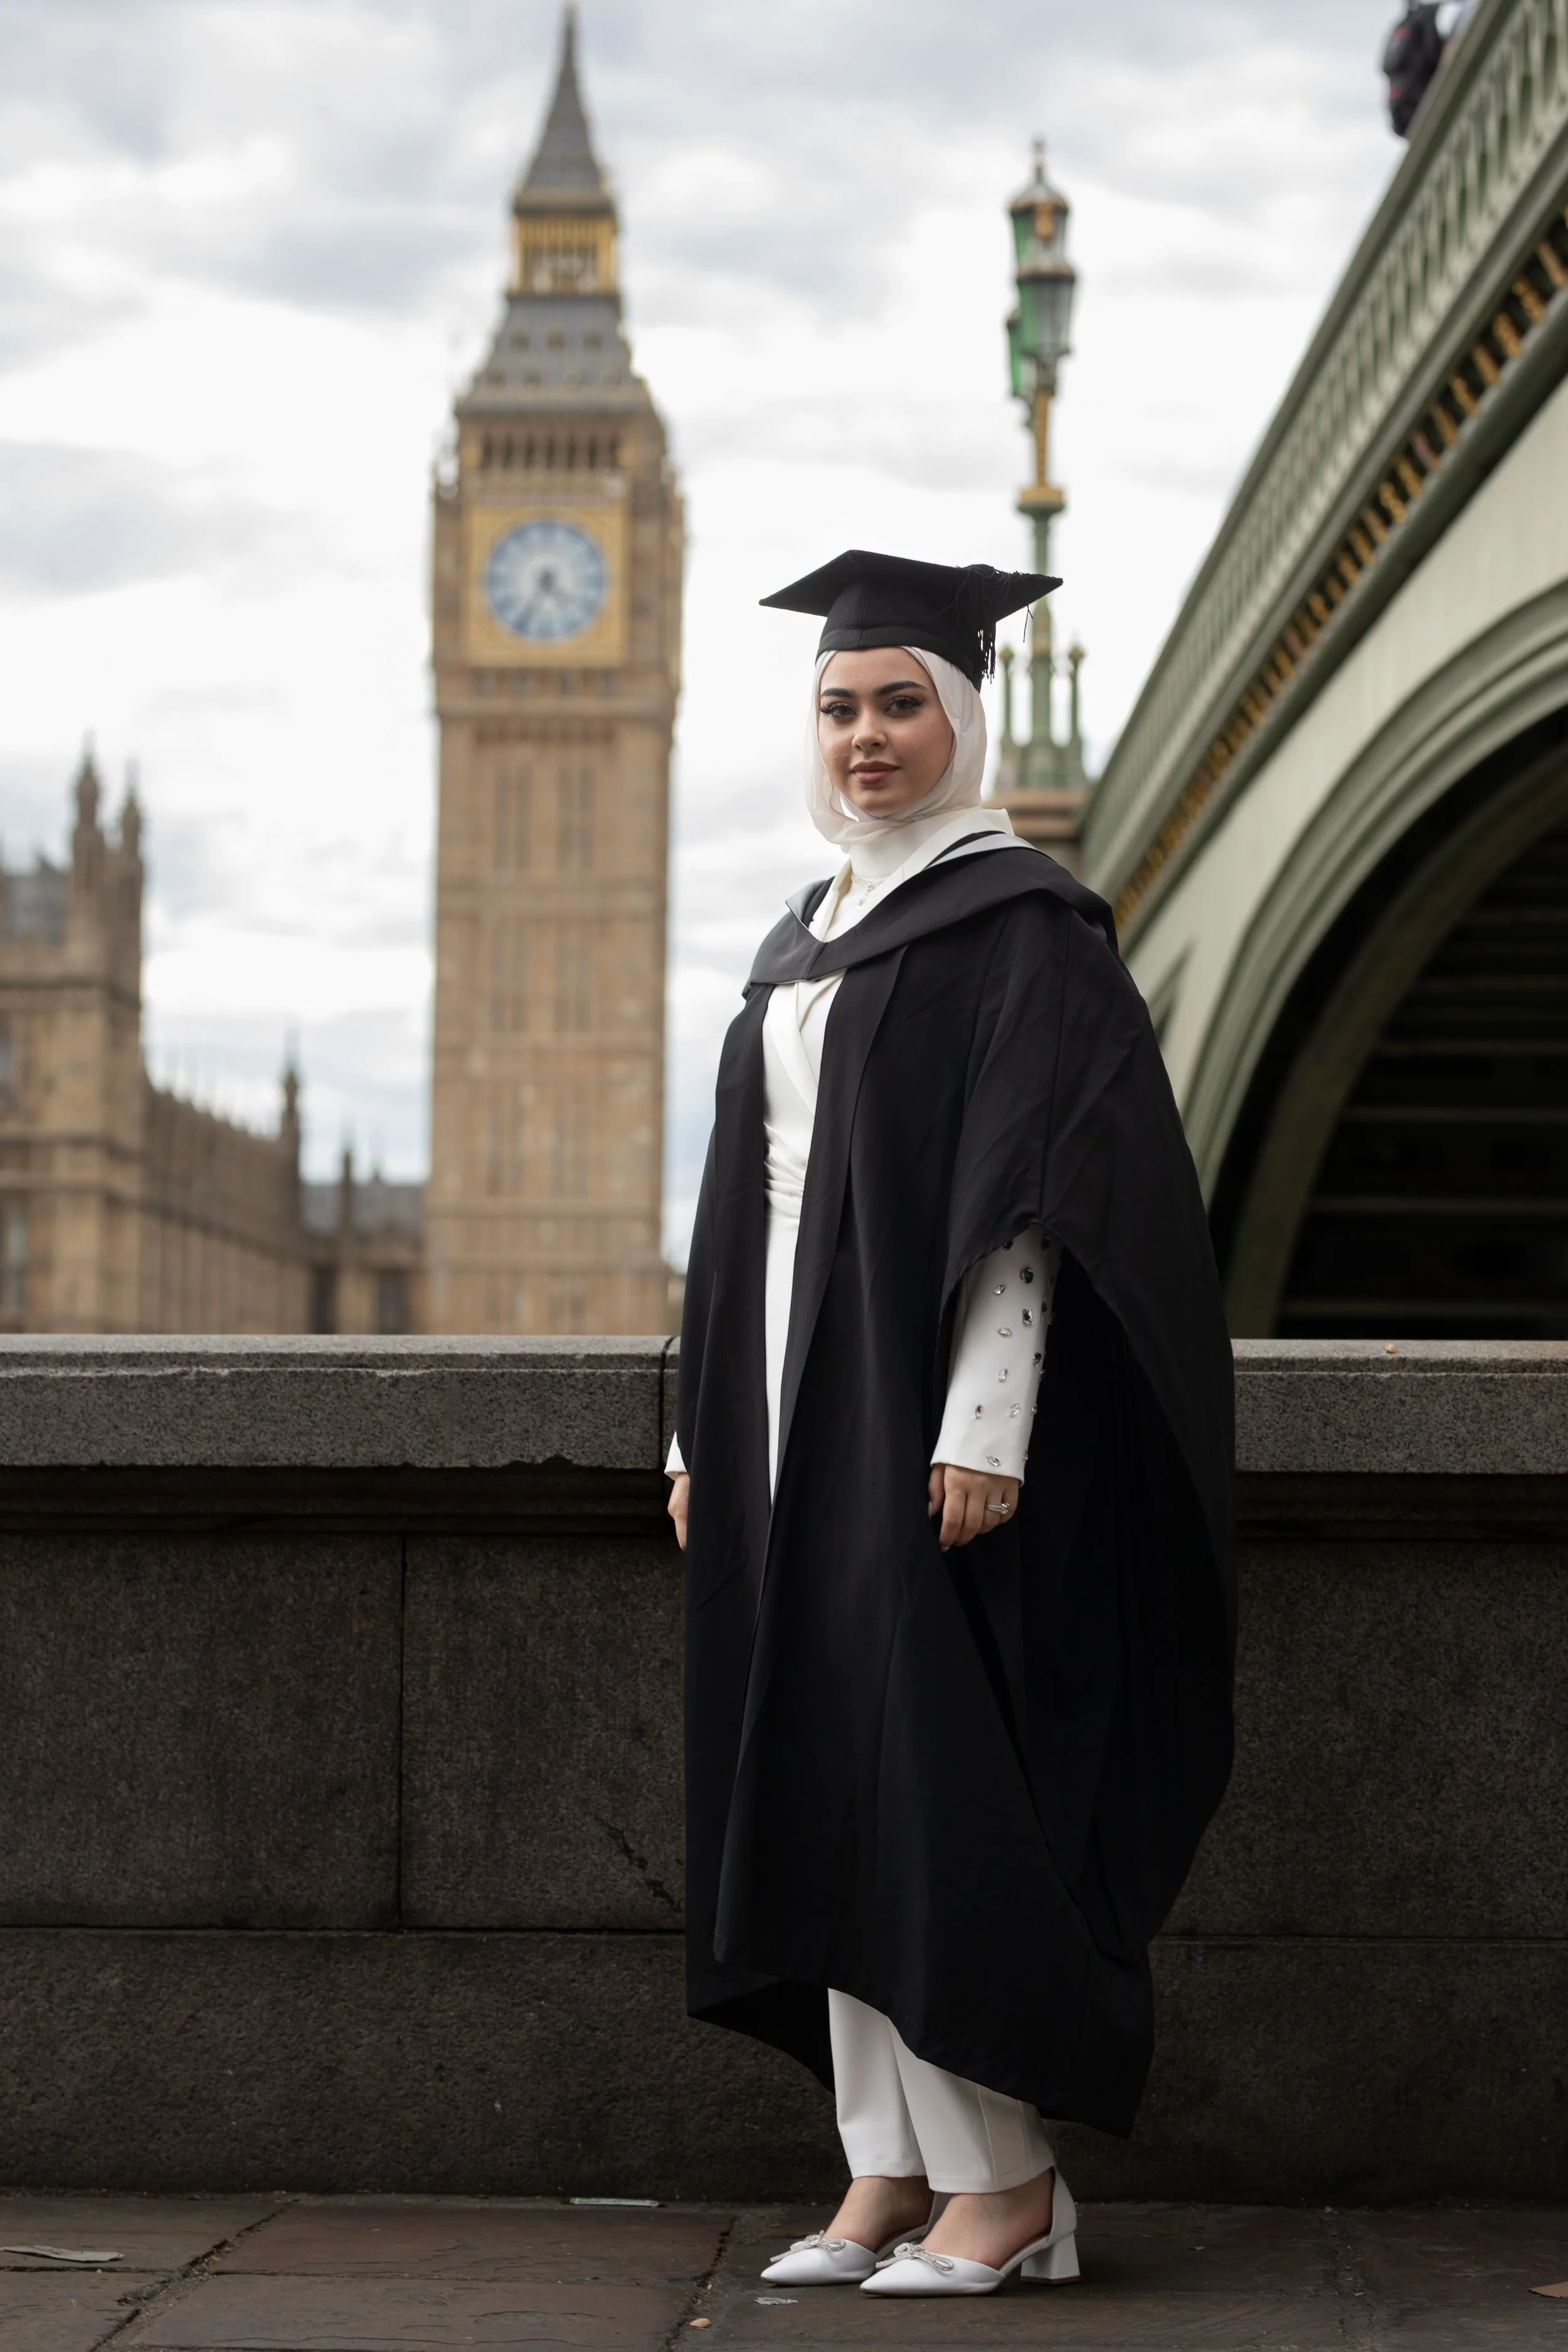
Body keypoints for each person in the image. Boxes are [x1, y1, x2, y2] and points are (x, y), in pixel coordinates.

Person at [667, 549, 1234, 2298]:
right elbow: (746, 1203)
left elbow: (1035, 1200)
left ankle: (1009, 2183)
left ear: (963, 718)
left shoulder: (1016, 926)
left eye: (900, 701)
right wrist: (699, 1434)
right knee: (824, 1774)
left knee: (933, 1791)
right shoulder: (805, 932)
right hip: (785, 1424)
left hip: (923, 1427)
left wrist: (982, 1423)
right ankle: (881, 2169)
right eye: (839, 706)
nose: (864, 735)